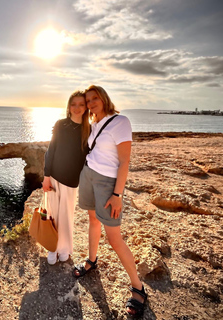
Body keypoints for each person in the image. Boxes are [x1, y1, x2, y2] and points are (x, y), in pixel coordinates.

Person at [73, 85, 147, 317]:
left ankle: (138, 288)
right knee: (93, 220)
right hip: (88, 175)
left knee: (114, 238)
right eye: (88, 100)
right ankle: (91, 261)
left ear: (103, 98)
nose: (91, 103)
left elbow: (124, 162)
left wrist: (117, 195)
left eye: (94, 98)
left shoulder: (120, 121)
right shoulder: (93, 124)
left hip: (107, 183)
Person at [42, 90, 90, 265]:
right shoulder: (60, 124)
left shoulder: (89, 130)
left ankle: (64, 249)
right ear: (68, 106)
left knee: (66, 216)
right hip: (54, 177)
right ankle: (52, 248)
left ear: (86, 108)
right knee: (53, 215)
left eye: (81, 104)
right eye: (73, 104)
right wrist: (46, 176)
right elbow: (51, 151)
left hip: (72, 181)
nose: (77, 108)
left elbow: (89, 157)